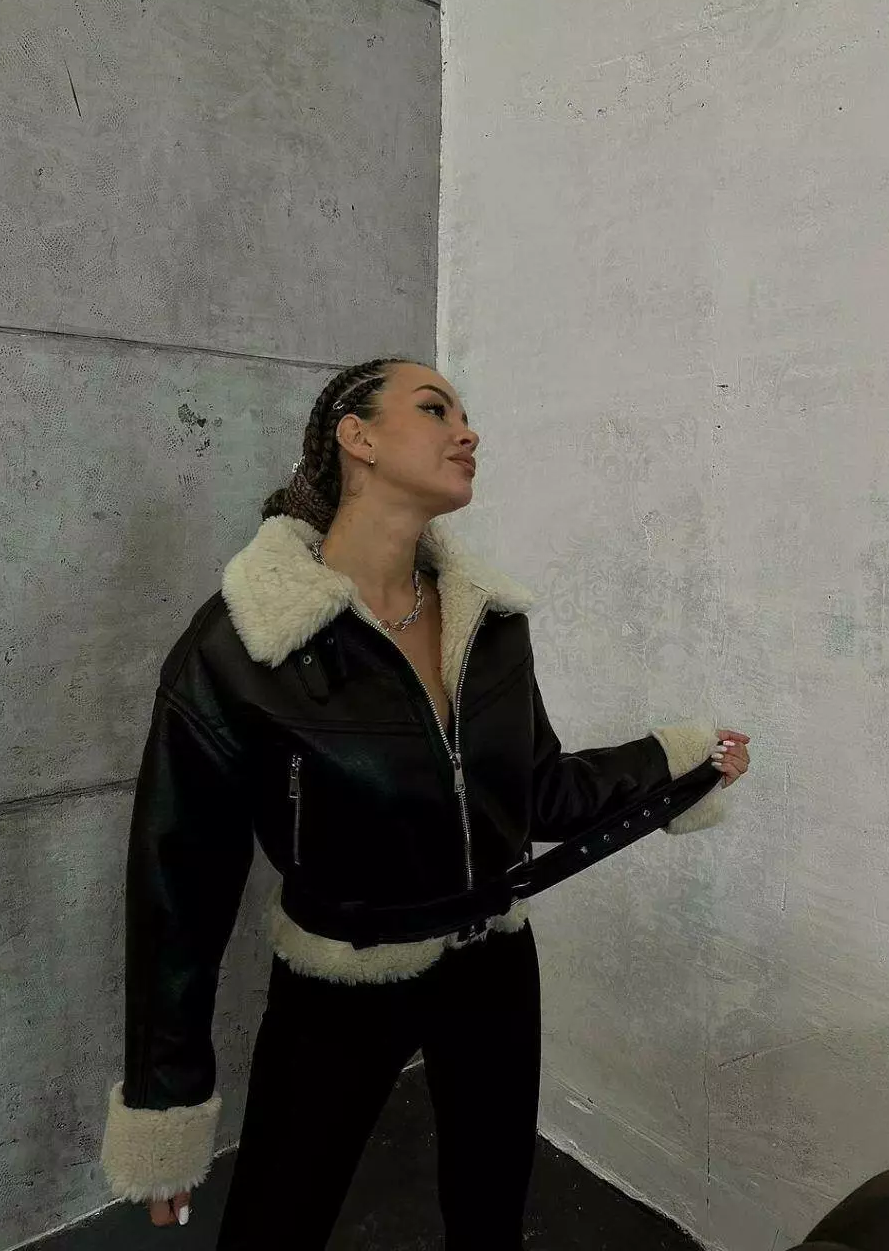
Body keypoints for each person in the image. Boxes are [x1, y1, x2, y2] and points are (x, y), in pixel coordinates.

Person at [99, 357, 751, 1249]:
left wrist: (679, 762)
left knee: (490, 1218)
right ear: (357, 437)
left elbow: (539, 794)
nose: (467, 431)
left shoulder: (492, 624)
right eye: (436, 409)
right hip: (340, 980)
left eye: (465, 415)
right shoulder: (245, 643)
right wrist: (165, 1104)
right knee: (275, 1224)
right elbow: (178, 888)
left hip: (494, 965)